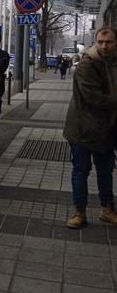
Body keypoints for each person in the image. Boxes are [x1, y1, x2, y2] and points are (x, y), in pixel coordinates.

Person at [63, 27, 117, 229]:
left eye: (109, 42)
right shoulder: (87, 65)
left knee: (105, 172)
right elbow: (94, 99)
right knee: (81, 171)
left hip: (107, 128)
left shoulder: (113, 63)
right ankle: (79, 212)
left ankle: (107, 210)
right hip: (83, 128)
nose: (104, 46)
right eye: (100, 42)